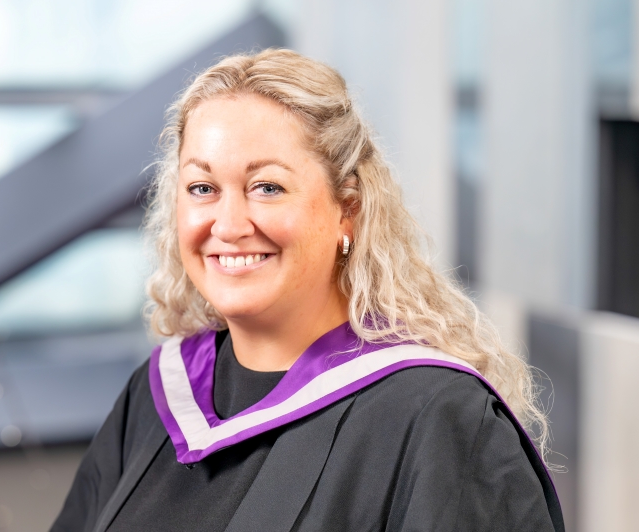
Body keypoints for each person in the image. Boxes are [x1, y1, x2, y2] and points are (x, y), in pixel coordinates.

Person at [51, 49, 564, 532]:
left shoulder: (436, 420)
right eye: (203, 188)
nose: (228, 225)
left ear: (349, 210)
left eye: (267, 187)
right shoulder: (158, 391)